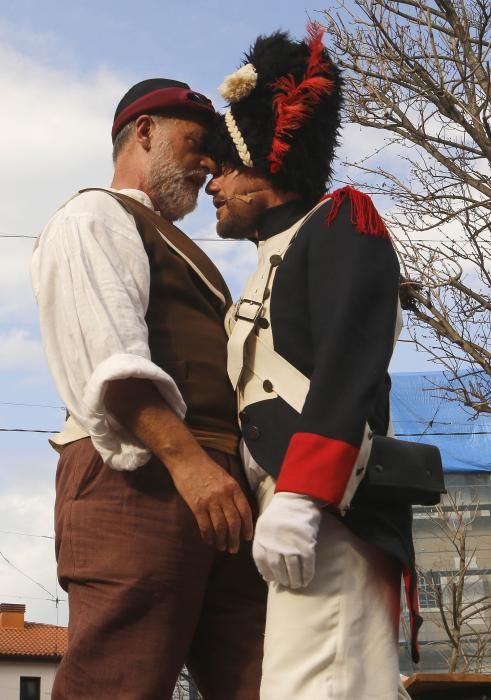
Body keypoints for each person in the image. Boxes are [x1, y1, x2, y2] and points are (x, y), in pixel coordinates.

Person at [31, 78, 266, 700]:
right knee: (121, 681)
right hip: (140, 476)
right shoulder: (94, 214)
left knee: (262, 680)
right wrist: (189, 463)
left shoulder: (176, 241)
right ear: (144, 132)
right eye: (196, 142)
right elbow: (110, 360)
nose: (209, 164)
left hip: (219, 486)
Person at [205, 26, 421, 700]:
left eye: (222, 169)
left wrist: (301, 496)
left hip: (326, 511)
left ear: (262, 170)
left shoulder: (338, 224)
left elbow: (348, 363)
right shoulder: (266, 265)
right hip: (289, 517)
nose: (210, 184)